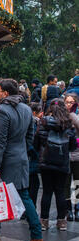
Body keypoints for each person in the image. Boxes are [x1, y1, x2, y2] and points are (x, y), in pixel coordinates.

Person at [0, 79, 45, 241]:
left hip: (5, 160)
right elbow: (30, 135)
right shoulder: (26, 109)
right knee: (24, 195)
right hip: (20, 157)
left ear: (5, 93)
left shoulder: (1, 111)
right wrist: (23, 150)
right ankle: (34, 234)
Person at [34, 98, 77, 232]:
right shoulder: (68, 124)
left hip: (46, 162)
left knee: (47, 191)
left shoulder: (44, 122)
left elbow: (36, 143)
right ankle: (61, 222)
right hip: (63, 163)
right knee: (60, 191)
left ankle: (44, 221)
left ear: (50, 108)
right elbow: (72, 146)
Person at [64, 93, 79, 222]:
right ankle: (68, 210)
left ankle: (77, 209)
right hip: (65, 156)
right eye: (67, 102)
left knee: (78, 183)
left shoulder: (75, 116)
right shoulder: (61, 116)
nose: (69, 104)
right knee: (66, 184)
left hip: (77, 155)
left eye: (72, 102)